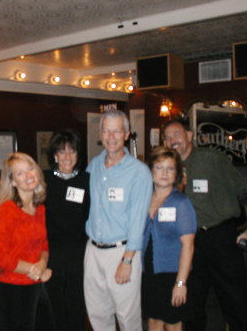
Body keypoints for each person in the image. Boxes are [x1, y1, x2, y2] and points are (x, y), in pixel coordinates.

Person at [163, 119, 247, 331]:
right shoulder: (167, 168)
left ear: (189, 136)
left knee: (237, 302)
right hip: (189, 244)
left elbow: (246, 195)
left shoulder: (213, 159)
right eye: (167, 137)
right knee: (191, 305)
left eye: (176, 135)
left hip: (219, 238)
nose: (172, 140)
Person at [84, 110, 152, 331]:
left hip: (122, 252)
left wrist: (128, 260)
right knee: (98, 314)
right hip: (93, 251)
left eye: (116, 131)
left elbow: (138, 219)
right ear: (100, 133)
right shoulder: (93, 166)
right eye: (106, 130)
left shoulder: (139, 172)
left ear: (126, 134)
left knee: (127, 317)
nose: (111, 136)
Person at [0, 152, 54, 331]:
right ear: (12, 182)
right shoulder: (7, 210)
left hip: (36, 285)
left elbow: (44, 245)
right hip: (14, 290)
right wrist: (34, 269)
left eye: (30, 169)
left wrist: (42, 264)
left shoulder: (39, 208)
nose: (28, 175)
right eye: (20, 173)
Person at [141, 146, 196, 331]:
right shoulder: (144, 199)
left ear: (176, 173)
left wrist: (181, 283)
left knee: (173, 324)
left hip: (172, 273)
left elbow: (188, 246)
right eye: (159, 167)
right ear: (151, 170)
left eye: (170, 168)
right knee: (153, 322)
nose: (164, 173)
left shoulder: (181, 203)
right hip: (149, 272)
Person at [44, 129, 90, 331]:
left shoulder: (86, 180)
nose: (67, 157)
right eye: (62, 151)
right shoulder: (43, 180)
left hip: (79, 253)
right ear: (54, 155)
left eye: (72, 151)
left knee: (76, 305)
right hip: (50, 252)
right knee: (53, 306)